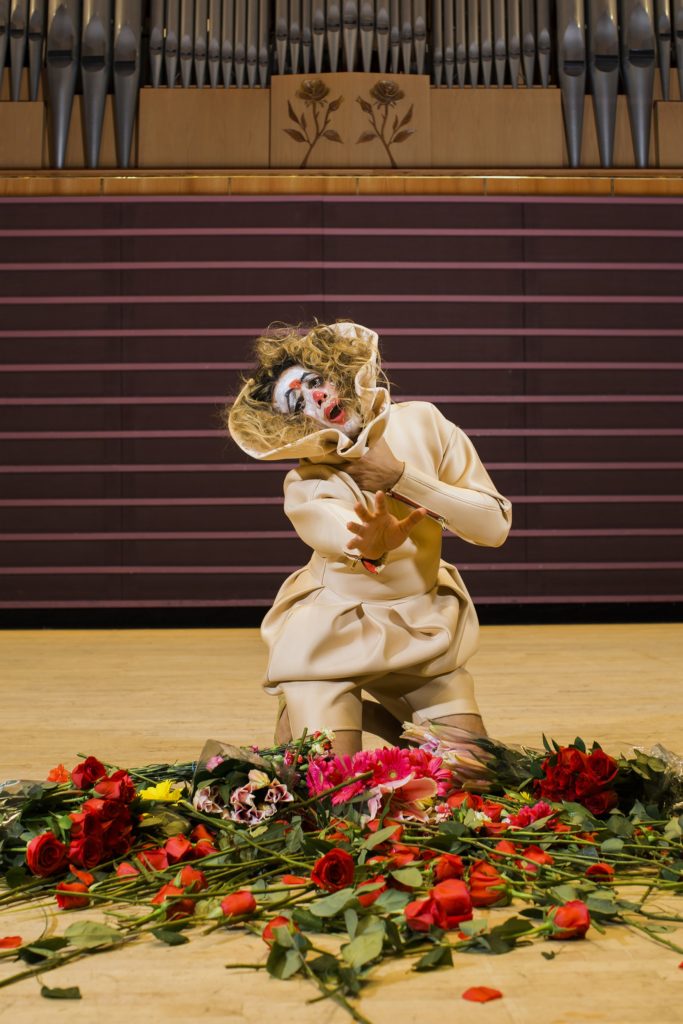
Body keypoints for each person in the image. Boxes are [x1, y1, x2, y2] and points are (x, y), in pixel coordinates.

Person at [228, 321, 512, 757]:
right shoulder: (306, 482)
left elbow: (493, 527)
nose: (315, 397)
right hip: (332, 639)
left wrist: (400, 477)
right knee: (342, 791)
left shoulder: (424, 422)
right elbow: (344, 534)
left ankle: (366, 715)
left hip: (423, 629)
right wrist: (372, 545)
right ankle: (314, 703)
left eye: (314, 382)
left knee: (473, 772)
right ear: (286, 429)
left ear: (336, 375)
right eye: (296, 402)